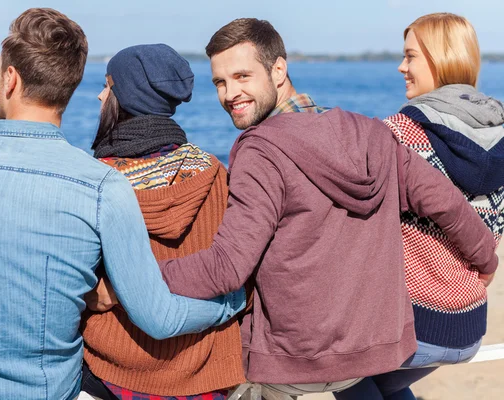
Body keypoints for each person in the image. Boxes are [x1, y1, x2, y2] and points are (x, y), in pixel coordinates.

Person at [0, 9, 244, 400]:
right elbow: (160, 317)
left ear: (10, 79)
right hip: (44, 390)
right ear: (68, 88)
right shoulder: (101, 186)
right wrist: (229, 305)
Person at [151, 18, 499, 395]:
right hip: (371, 349)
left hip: (292, 360)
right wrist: (485, 261)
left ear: (279, 69)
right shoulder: (369, 133)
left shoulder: (258, 149)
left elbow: (228, 267)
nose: (229, 93)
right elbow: (444, 201)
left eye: (242, 76)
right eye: (220, 82)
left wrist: (139, 276)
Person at [334, 13, 504, 400]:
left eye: (410, 56)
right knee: (381, 386)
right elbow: (492, 234)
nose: (401, 66)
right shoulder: (501, 134)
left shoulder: (398, 134)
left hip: (413, 322)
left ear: (441, 59)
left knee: (339, 367)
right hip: (469, 324)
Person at [80, 44, 245, 400]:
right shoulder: (214, 173)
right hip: (204, 371)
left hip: (114, 371)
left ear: (129, 95)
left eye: (108, 85)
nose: (99, 94)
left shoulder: (100, 180)